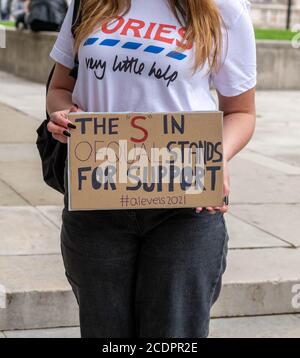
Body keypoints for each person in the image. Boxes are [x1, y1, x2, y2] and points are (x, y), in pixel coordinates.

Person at [46, 0, 256, 338]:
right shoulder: (88, 3)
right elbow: (59, 90)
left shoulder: (224, 9)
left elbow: (242, 113)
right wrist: (64, 115)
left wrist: (219, 156)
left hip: (185, 203)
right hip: (99, 197)